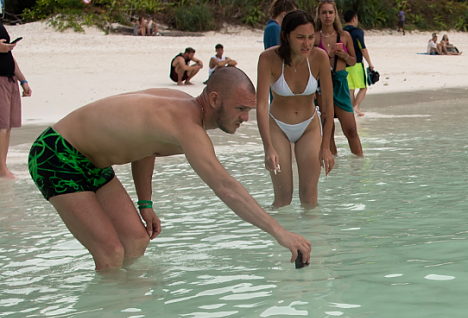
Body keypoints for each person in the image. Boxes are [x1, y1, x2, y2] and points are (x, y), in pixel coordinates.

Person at [27, 67, 311, 270]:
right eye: (240, 109)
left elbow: (144, 144)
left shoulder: (180, 107)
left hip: (92, 163)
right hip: (56, 154)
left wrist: (145, 202)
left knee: (136, 241)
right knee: (111, 252)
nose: (245, 118)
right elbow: (226, 188)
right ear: (214, 100)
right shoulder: (187, 126)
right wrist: (280, 233)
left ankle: (121, 302)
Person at [257, 10, 335, 208]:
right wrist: (268, 147)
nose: (307, 44)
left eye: (310, 37)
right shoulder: (268, 58)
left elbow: (328, 105)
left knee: (309, 198)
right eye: (300, 37)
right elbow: (260, 105)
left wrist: (326, 147)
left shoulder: (320, 58)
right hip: (278, 126)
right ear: (285, 36)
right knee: (284, 198)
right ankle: (278, 236)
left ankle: (313, 238)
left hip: (309, 126)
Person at [316, 0, 363, 156]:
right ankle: (333, 167)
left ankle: (359, 165)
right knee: (328, 131)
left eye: (330, 12)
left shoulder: (344, 36)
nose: (327, 16)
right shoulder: (315, 37)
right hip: (322, 84)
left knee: (350, 129)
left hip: (341, 82)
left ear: (335, 14)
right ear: (319, 15)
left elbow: (354, 60)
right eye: (324, 12)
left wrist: (344, 55)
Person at [1, 24, 32, 180]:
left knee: (8, 126)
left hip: (9, 79)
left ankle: (3, 165)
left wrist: (22, 80)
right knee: (2, 126)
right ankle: (2, 169)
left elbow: (9, 56)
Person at [343, 10, 374, 116]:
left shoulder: (341, 31)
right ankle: (356, 107)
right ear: (354, 18)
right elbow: (362, 48)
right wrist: (370, 63)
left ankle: (352, 109)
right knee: (363, 87)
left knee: (351, 88)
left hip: (344, 63)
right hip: (356, 64)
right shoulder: (357, 32)